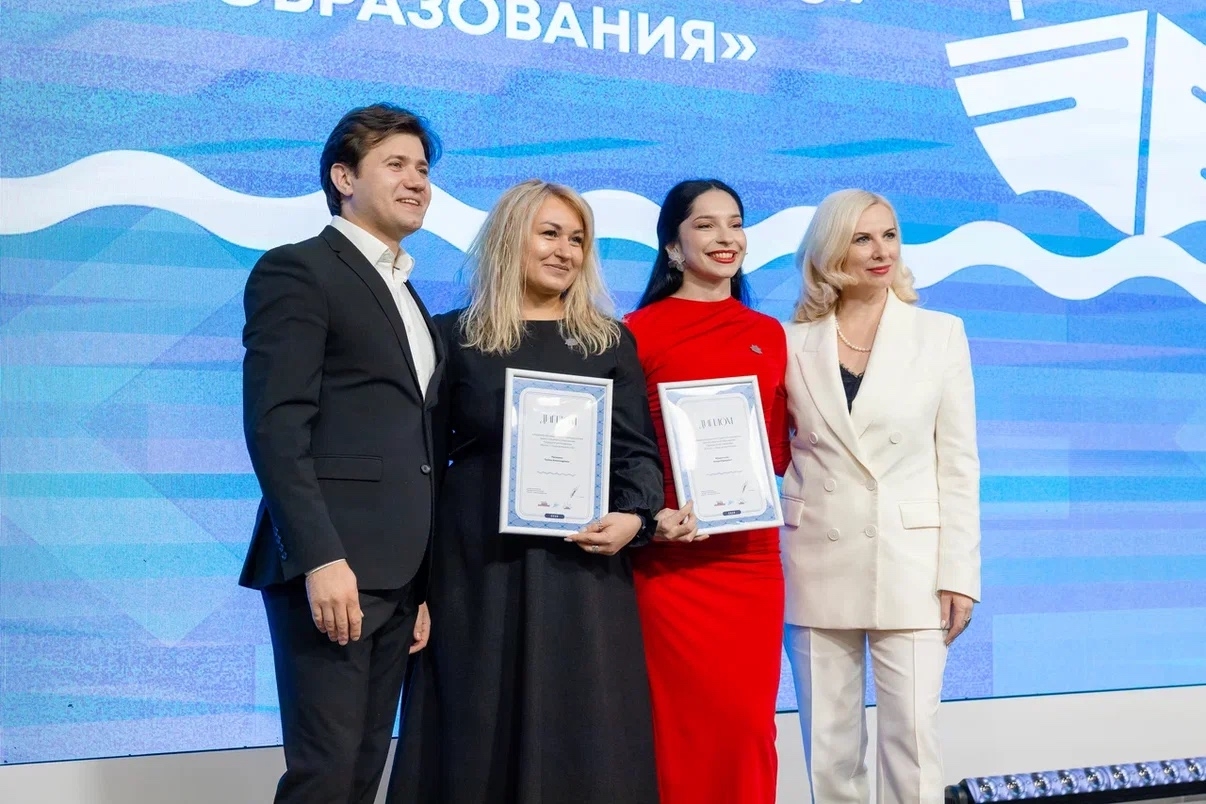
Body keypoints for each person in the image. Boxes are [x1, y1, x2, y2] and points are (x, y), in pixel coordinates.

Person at [388, 179, 663, 804]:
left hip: (583, 571)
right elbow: (422, 465)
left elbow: (636, 455)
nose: (565, 250)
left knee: (584, 728)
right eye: (550, 233)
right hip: (476, 571)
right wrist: (415, 587)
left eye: (577, 239)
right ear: (511, 238)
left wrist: (633, 516)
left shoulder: (608, 341)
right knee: (475, 726)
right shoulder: (452, 337)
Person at [239, 103, 444, 804]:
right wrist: (320, 559)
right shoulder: (298, 271)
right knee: (325, 776)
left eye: (423, 168)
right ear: (343, 177)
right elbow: (276, 428)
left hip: (397, 580)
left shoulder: (407, 291)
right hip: (330, 569)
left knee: (360, 774)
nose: (417, 181)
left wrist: (420, 588)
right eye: (397, 164)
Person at [781, 189, 981, 803]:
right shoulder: (788, 340)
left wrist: (960, 574)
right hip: (816, 556)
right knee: (830, 750)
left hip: (912, 563)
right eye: (862, 238)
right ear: (830, 249)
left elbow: (959, 464)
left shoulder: (940, 334)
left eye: (889, 235)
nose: (880, 251)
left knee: (913, 741)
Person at [624, 179, 791, 804]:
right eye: (706, 225)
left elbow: (778, 451)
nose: (727, 238)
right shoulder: (634, 332)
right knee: (676, 727)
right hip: (671, 560)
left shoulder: (771, 334)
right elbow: (623, 451)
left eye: (736, 223)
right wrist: (653, 515)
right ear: (672, 245)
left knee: (747, 727)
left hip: (750, 562)